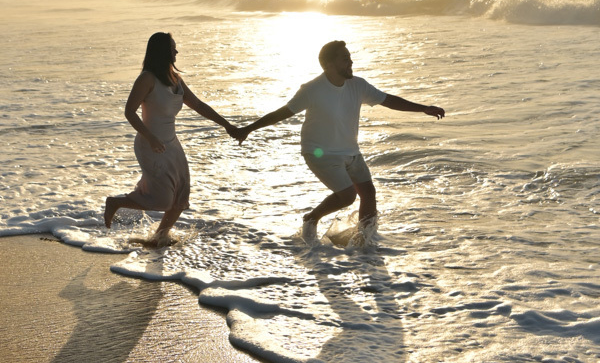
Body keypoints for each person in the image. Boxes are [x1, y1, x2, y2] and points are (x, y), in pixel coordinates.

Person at [234, 40, 445, 242]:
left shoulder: (358, 85)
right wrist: (248, 129)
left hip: (350, 151)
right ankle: (312, 218)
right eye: (345, 59)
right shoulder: (312, 89)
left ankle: (365, 242)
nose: (350, 62)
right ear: (328, 64)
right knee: (347, 195)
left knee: (368, 193)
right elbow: (283, 113)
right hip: (320, 153)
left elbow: (389, 100)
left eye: (350, 57)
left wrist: (423, 108)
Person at [104, 32, 235, 246]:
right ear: (162, 51)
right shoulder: (147, 78)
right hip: (150, 144)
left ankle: (159, 236)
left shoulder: (175, 79)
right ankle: (116, 202)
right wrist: (151, 137)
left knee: (180, 198)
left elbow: (199, 106)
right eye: (173, 47)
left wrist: (227, 125)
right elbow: (129, 111)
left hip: (171, 144)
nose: (176, 51)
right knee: (163, 199)